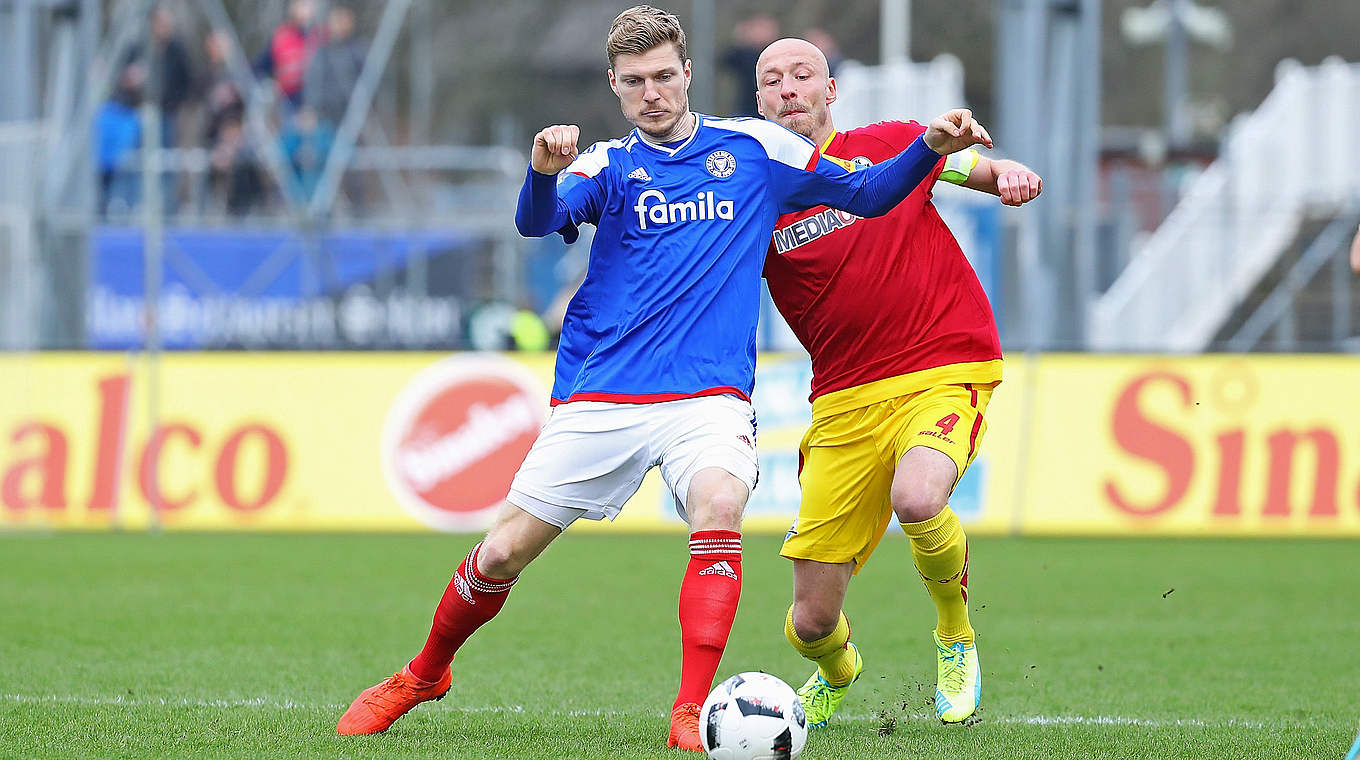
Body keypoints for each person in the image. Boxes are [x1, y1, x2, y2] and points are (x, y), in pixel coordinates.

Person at [335, 5, 991, 750]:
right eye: (634, 81)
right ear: (615, 87)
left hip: (709, 396)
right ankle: (424, 672)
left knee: (719, 504)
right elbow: (535, 221)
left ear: (686, 73)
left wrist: (929, 148)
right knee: (502, 552)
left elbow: (865, 194)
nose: (652, 92)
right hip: (604, 389)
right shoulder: (605, 164)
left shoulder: (756, 148)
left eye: (663, 76)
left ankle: (689, 711)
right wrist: (541, 175)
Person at [753, 38, 1042, 727]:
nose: (788, 88)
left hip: (942, 366)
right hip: (845, 402)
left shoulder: (890, 141)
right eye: (772, 80)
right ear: (758, 101)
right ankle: (839, 668)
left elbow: (978, 167)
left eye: (802, 75)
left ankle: (954, 634)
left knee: (918, 498)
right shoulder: (753, 197)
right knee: (809, 623)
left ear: (830, 91)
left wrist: (1009, 174)